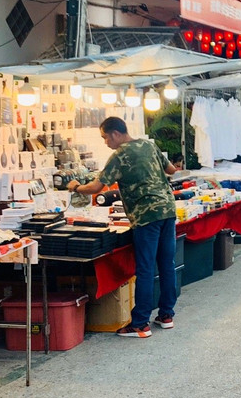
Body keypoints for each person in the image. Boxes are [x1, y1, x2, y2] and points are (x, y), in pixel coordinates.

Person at [68, 117, 179, 338]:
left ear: (115, 133)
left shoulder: (119, 155)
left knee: (145, 269)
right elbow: (172, 170)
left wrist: (76, 186)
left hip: (146, 216)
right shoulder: (149, 144)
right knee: (167, 264)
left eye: (105, 137)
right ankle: (166, 315)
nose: (105, 142)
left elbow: (96, 187)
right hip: (167, 210)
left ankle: (140, 324)